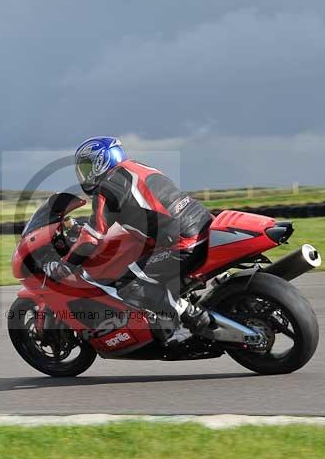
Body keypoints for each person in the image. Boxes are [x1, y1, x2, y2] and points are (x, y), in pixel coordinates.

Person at [43, 136, 214, 339]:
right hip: (203, 225)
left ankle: (191, 317)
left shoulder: (107, 188)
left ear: (101, 162)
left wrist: (66, 265)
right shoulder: (136, 167)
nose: (85, 175)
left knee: (129, 284)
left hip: (183, 242)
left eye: (88, 168)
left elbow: (92, 237)